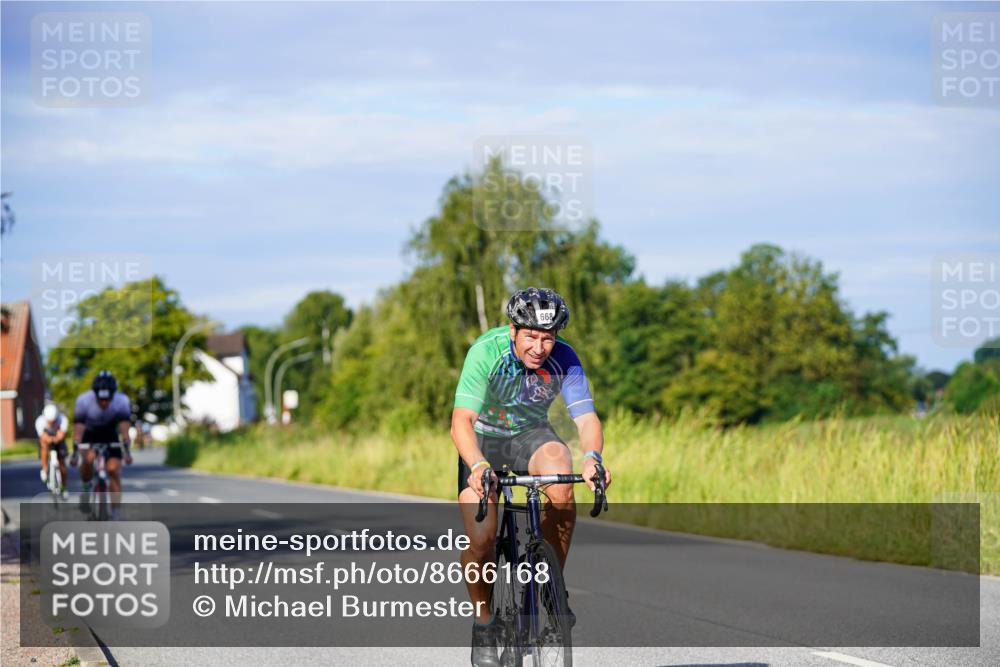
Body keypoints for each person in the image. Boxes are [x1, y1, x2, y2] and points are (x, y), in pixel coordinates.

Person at [452, 287, 612, 667]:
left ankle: (550, 588)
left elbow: (586, 419)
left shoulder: (565, 358)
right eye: (531, 337)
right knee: (482, 539)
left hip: (531, 436)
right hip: (483, 442)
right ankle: (484, 623)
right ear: (513, 330)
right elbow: (462, 421)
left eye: (548, 338)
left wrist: (593, 458)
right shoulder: (486, 352)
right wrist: (478, 465)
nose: (540, 348)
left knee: (562, 472)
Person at [70, 370, 133, 519]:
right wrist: (75, 451)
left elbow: (124, 428)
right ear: (95, 394)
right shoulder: (83, 400)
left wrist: (127, 451)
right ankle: (86, 487)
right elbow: (78, 429)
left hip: (110, 433)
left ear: (113, 395)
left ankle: (116, 512)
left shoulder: (122, 400)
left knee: (114, 470)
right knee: (88, 459)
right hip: (90, 434)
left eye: (107, 399)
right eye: (101, 399)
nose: (104, 402)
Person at [35, 403, 69, 499]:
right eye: (49, 422)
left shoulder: (62, 419)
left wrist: (57, 438)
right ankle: (45, 468)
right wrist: (49, 439)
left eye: (53, 421)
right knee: (44, 446)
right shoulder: (40, 421)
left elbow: (62, 434)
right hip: (46, 440)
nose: (51, 423)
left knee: (62, 464)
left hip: (58, 440)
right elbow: (42, 436)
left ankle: (64, 487)